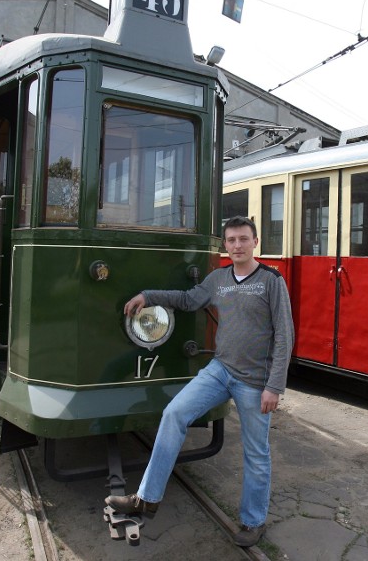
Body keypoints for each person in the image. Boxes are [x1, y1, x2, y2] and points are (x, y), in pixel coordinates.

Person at [106, 216, 294, 547]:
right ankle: (146, 498)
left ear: (255, 242)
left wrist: (274, 387)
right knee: (174, 413)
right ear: (225, 245)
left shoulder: (271, 281)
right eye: (232, 240)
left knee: (256, 454)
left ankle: (253, 522)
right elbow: (188, 299)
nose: (237, 245)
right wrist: (148, 296)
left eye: (243, 239)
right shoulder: (219, 278)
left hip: (255, 381)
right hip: (220, 370)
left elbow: (284, 337)